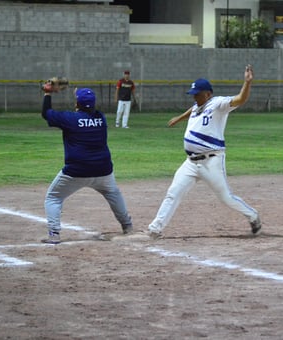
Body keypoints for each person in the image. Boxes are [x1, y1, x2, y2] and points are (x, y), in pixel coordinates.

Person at [145, 65, 261, 239]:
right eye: (193, 94)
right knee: (173, 193)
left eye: (198, 94)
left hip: (211, 161)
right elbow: (193, 109)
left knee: (225, 198)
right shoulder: (198, 106)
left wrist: (247, 83)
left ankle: (253, 216)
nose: (195, 97)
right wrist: (179, 118)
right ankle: (155, 229)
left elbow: (239, 100)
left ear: (208, 93)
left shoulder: (218, 104)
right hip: (191, 163)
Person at [40, 81, 133, 244]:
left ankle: (54, 234)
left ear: (77, 104)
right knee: (113, 194)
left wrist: (48, 93)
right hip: (103, 170)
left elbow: (46, 113)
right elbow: (87, 112)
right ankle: (128, 227)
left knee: (53, 197)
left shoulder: (70, 119)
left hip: (77, 171)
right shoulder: (101, 118)